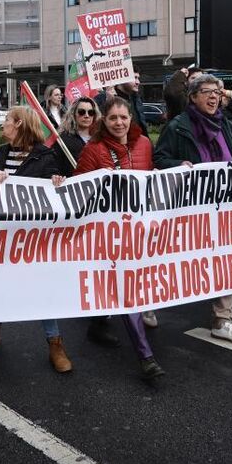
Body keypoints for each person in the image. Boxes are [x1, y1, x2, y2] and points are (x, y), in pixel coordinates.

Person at [153, 73, 232, 346]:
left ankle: (222, 320)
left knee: (226, 261)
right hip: (189, 211)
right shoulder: (177, 126)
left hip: (223, 208)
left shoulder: (227, 126)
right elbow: (159, 158)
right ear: (193, 97)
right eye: (207, 91)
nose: (213, 96)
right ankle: (148, 300)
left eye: (217, 93)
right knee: (178, 262)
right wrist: (177, 164)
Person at [73, 96, 165, 379]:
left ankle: (97, 324)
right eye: (113, 118)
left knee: (122, 287)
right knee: (128, 291)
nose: (119, 123)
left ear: (130, 119)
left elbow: (149, 178)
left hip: (139, 230)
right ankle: (145, 356)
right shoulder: (94, 149)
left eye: (123, 117)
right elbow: (78, 188)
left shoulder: (145, 144)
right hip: (108, 233)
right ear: (104, 121)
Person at [0, 106, 72, 372]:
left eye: (7, 120)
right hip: (2, 236)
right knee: (0, 283)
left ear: (19, 123)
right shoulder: (0, 155)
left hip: (33, 238)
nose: (2, 124)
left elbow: (55, 193)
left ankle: (55, 343)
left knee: (42, 288)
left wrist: (56, 180)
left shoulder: (45, 156)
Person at [52, 98, 121, 347]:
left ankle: (100, 306)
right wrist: (58, 178)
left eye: (91, 112)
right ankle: (90, 307)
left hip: (105, 207)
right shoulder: (63, 141)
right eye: (81, 111)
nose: (86, 116)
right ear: (73, 114)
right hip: (79, 207)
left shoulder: (103, 140)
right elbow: (54, 167)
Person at [96, 73, 149, 139]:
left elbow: (142, 125)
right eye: (134, 78)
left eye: (138, 78)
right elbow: (96, 125)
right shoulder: (102, 98)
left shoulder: (136, 98)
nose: (138, 82)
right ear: (122, 78)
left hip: (137, 145)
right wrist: (108, 102)